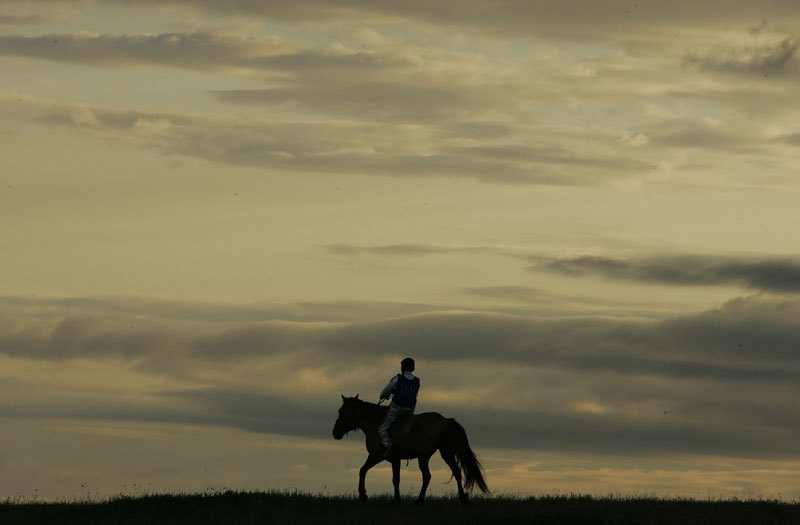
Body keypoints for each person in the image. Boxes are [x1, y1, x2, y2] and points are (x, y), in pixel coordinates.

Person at [378, 357, 419, 459]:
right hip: (410, 409)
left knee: (382, 428)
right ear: (413, 368)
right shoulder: (417, 381)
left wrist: (383, 396)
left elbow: (386, 391)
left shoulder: (397, 378)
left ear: (402, 368)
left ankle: (388, 448)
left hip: (396, 408)